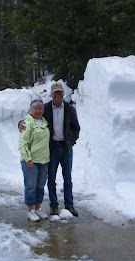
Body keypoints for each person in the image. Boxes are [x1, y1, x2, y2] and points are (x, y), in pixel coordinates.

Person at [19, 83, 80, 217]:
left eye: (60, 93)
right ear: (51, 95)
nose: (57, 96)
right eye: (55, 93)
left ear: (63, 94)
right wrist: (20, 123)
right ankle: (54, 205)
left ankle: (69, 204)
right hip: (52, 148)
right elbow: (32, 117)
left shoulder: (70, 109)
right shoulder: (45, 109)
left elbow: (76, 128)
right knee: (51, 178)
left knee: (67, 178)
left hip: (66, 148)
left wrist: (72, 141)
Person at [18, 99, 50, 222]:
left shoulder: (44, 122)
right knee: (30, 186)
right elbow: (22, 143)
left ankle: (38, 208)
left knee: (40, 186)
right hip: (31, 161)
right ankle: (30, 211)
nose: (38, 111)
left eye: (40, 108)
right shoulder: (27, 123)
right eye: (35, 109)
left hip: (43, 160)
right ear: (31, 110)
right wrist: (28, 159)